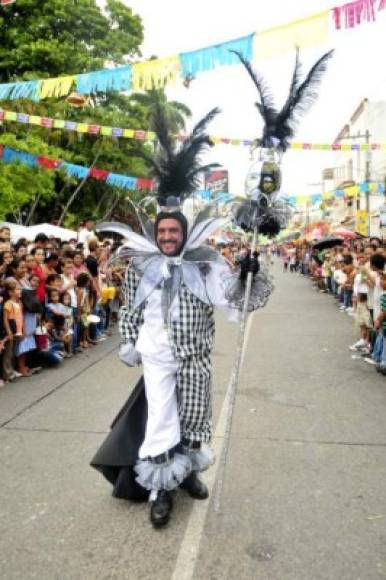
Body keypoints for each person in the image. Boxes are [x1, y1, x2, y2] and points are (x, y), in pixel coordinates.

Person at [91, 104, 273, 529]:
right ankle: (159, 489)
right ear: (156, 234)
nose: (168, 237)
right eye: (163, 232)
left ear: (185, 232)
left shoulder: (206, 263)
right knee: (161, 419)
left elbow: (232, 302)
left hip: (197, 355)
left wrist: (248, 273)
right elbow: (130, 309)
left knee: (194, 416)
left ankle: (187, 471)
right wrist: (131, 342)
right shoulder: (142, 266)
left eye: (174, 231)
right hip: (157, 355)